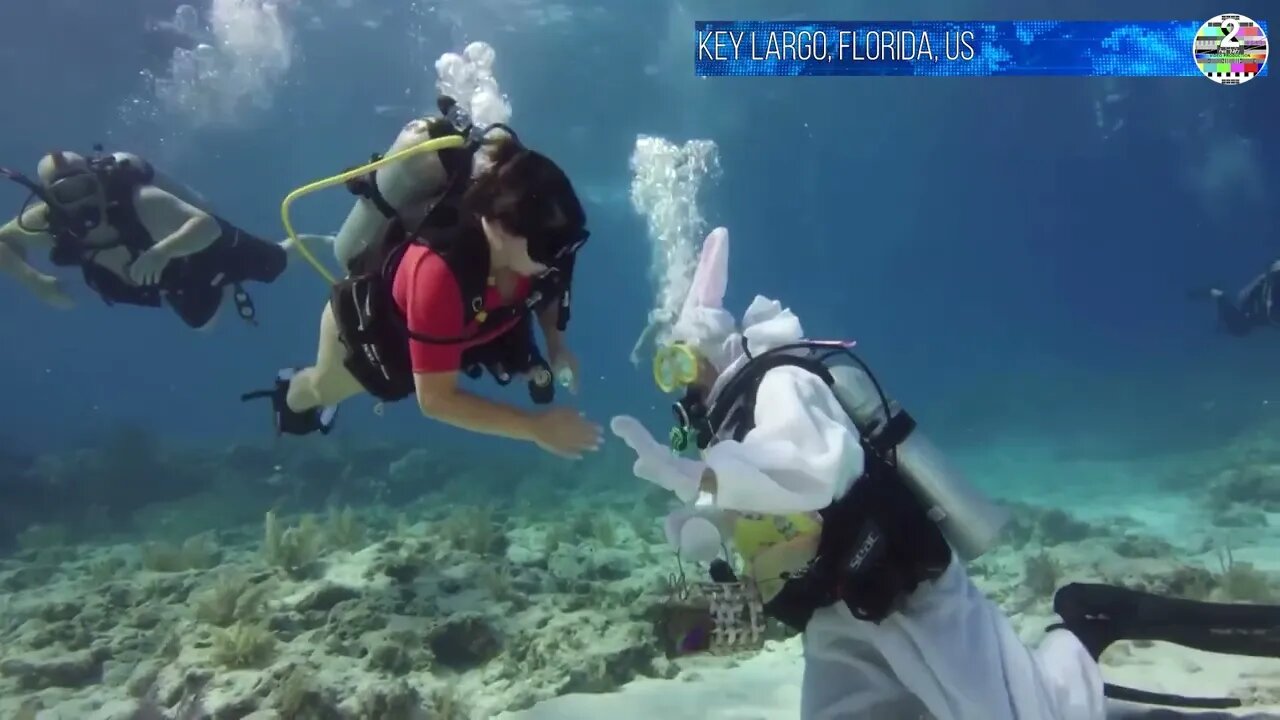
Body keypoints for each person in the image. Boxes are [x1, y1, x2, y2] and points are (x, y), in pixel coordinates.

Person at [244, 101, 601, 460]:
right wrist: (534, 428)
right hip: (374, 336)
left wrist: (556, 343)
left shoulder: (547, 246)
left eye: (569, 244)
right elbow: (436, 400)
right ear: (497, 225)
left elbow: (553, 283)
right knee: (321, 390)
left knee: (506, 342)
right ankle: (287, 395)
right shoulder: (438, 272)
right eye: (550, 248)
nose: (560, 256)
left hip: (469, 324)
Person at [0, 148, 289, 328]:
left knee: (278, 261)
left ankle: (313, 243)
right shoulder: (44, 223)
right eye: (66, 195)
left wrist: (161, 252)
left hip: (190, 248)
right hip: (163, 277)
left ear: (98, 182)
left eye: (86, 187)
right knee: (201, 323)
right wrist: (34, 281)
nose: (80, 202)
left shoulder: (138, 200)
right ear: (49, 200)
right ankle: (225, 285)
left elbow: (206, 226)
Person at [1190, 259, 1280, 337]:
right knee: (1239, 329)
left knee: (1241, 329)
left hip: (1264, 314)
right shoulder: (1266, 287)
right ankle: (1218, 294)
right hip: (1256, 310)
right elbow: (1244, 297)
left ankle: (1220, 296)